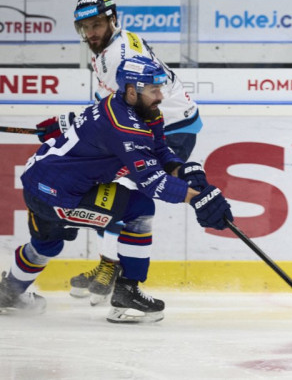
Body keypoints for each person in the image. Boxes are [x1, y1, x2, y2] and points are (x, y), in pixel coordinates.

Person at [0, 56, 232, 323]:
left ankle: (9, 293)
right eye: (154, 90)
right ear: (132, 91)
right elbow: (152, 181)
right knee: (141, 209)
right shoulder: (124, 126)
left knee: (47, 245)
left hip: (40, 180)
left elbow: (160, 152)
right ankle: (127, 296)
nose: (160, 96)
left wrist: (184, 170)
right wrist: (197, 199)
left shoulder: (141, 110)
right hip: (54, 194)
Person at [36, 0, 203, 305]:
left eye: (97, 24)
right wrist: (67, 125)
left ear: (112, 19)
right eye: (84, 27)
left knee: (126, 197)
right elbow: (106, 106)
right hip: (155, 123)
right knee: (115, 195)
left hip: (170, 129)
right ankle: (110, 267)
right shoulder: (107, 46)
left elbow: (124, 113)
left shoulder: (119, 58)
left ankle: (114, 272)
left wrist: (72, 130)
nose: (90, 33)